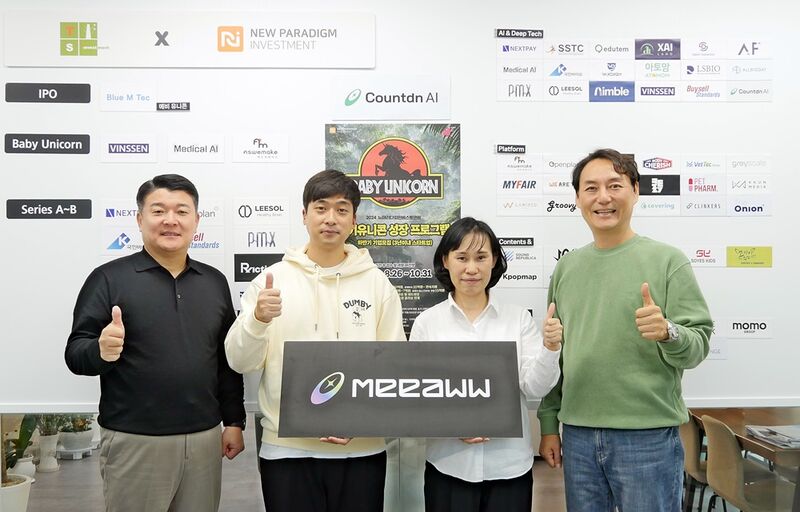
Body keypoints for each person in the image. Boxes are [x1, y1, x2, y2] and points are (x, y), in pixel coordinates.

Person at [537, 149, 713, 512]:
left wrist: (668, 332)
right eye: (591, 188)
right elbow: (557, 353)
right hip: (578, 435)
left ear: (635, 190)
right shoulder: (567, 268)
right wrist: (549, 423)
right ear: (578, 198)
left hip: (647, 436)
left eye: (614, 185)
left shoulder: (668, 261)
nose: (603, 197)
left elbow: (698, 344)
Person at [224, 169, 405, 512]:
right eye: (321, 208)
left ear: (354, 220)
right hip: (286, 449)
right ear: (304, 215)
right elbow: (239, 360)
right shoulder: (271, 281)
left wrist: (364, 422)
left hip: (362, 449)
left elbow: (393, 367)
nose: (330, 219)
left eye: (342, 209)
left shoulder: (377, 284)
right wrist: (258, 319)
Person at [65, 174, 245, 512]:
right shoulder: (108, 278)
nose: (170, 220)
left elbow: (226, 361)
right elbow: (75, 353)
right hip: (135, 441)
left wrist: (234, 421)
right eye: (159, 211)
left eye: (182, 211)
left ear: (196, 220)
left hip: (204, 439)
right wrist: (100, 350)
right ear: (139, 219)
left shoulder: (214, 281)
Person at [410, 217, 562, 512]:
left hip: (509, 468)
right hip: (448, 465)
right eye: (462, 258)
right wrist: (451, 426)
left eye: (481, 257)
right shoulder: (427, 323)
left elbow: (535, 387)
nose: (471, 268)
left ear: (494, 261)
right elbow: (417, 398)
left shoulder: (518, 319)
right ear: (446, 260)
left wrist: (550, 348)